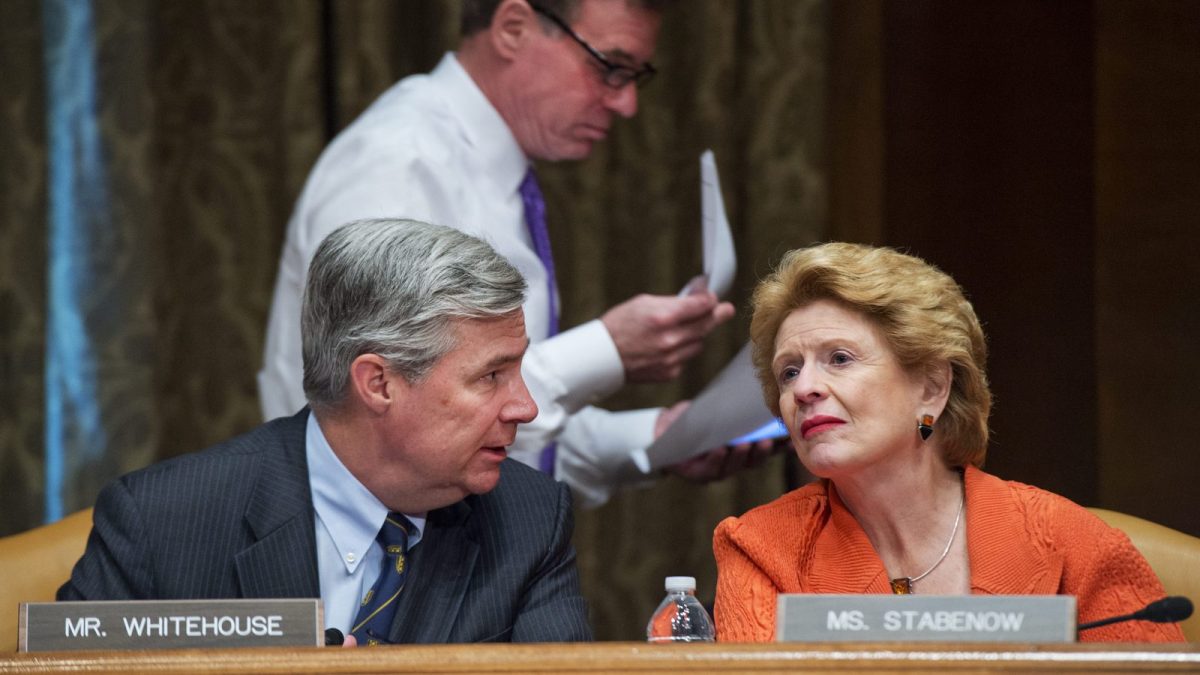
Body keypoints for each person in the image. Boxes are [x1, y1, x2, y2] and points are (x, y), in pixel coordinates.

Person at [259, 0, 765, 508]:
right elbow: (391, 428)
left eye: (636, 77)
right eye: (609, 67)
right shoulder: (397, 165)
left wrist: (658, 440)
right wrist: (608, 350)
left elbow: (499, 433)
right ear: (513, 28)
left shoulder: (495, 172)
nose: (626, 102)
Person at [59, 219, 592, 645]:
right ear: (378, 382)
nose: (525, 407)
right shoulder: (163, 522)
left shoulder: (529, 525)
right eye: (491, 376)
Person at [712, 242, 1184, 643]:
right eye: (789, 371)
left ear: (933, 388)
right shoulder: (761, 548)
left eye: (838, 358)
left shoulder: (1073, 543)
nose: (803, 388)